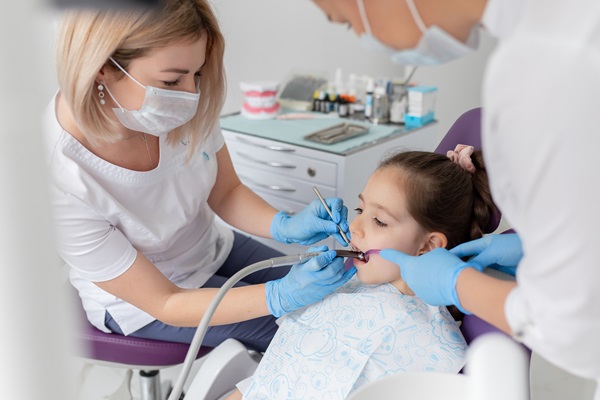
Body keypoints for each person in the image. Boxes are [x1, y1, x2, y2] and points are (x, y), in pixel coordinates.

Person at [310, 0, 600, 394]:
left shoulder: (545, 70)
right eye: (362, 209)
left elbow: (573, 328)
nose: (364, 36)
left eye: (348, 21)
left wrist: (459, 285)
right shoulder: (557, 37)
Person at [44, 0, 355, 353]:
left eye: (198, 74)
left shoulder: (177, 107)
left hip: (212, 249)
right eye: (172, 79)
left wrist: (284, 224)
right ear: (102, 68)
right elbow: (167, 302)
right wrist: (279, 296)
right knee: (314, 338)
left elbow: (226, 192)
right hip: (149, 302)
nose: (191, 93)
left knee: (340, 305)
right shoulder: (60, 175)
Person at [225, 147, 498, 399]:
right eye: (360, 209)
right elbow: (274, 374)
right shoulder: (341, 288)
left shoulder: (431, 343)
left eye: (379, 220)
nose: (354, 226)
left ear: (428, 246)